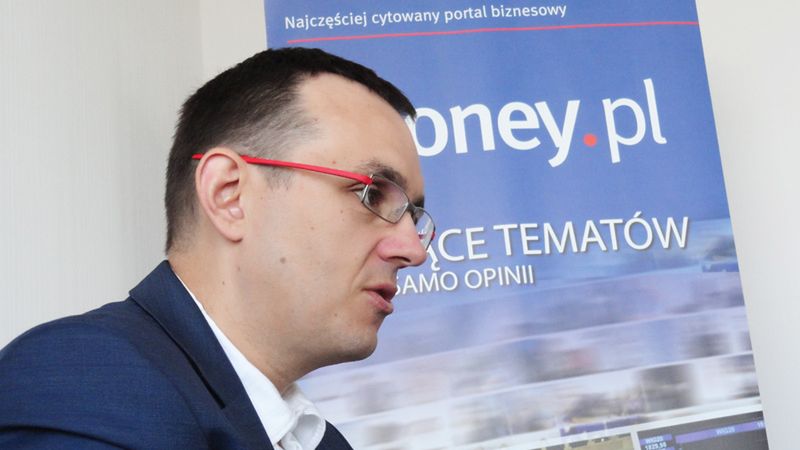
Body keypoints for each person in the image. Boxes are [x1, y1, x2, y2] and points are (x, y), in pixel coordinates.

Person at [0, 47, 434, 449]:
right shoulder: (87, 383)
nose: (413, 251)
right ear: (229, 195)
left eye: (413, 217)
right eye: (373, 194)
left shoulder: (319, 440)